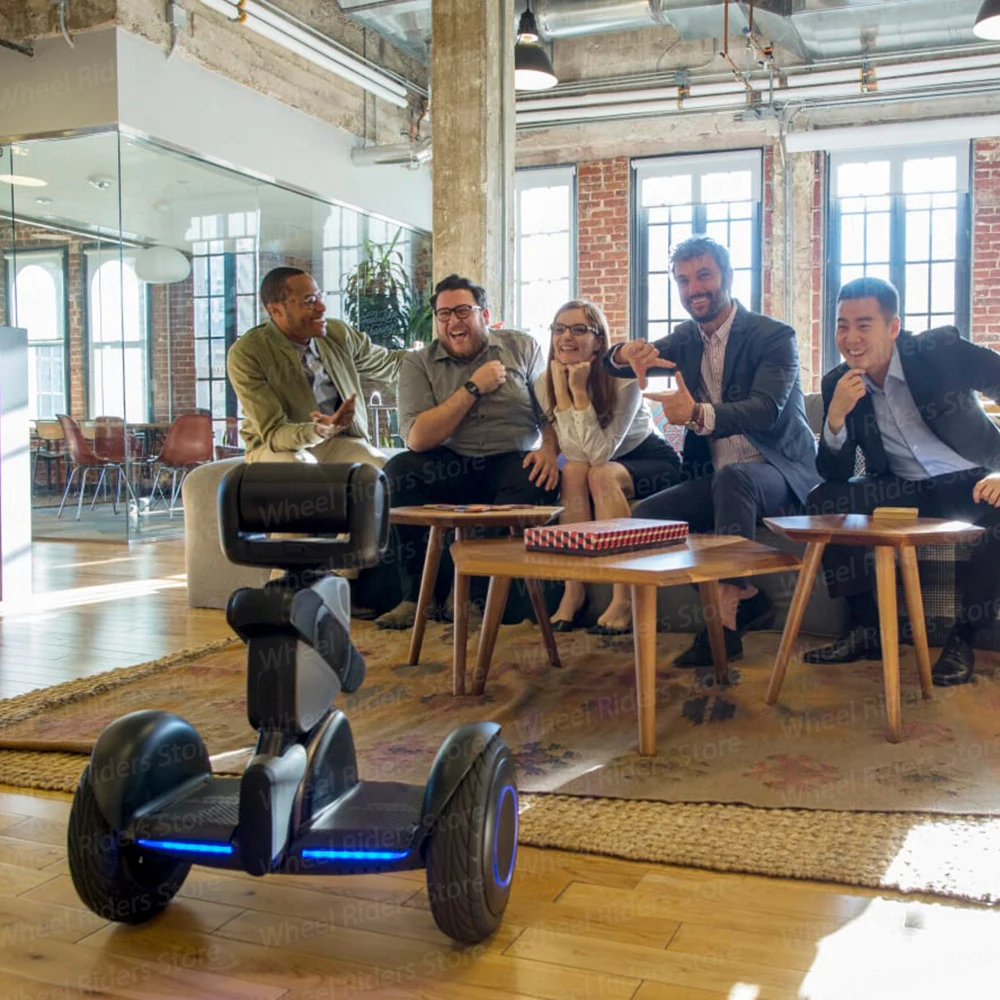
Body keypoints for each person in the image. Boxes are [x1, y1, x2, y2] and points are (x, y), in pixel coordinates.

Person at [606, 235, 819, 666]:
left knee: (735, 477)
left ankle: (723, 630)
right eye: (683, 281)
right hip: (721, 479)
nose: (694, 289)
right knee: (648, 515)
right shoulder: (686, 338)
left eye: (704, 275)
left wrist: (697, 414)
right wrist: (623, 353)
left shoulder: (774, 336)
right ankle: (748, 595)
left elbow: (766, 410)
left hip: (781, 473)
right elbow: (617, 366)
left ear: (728, 276)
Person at [804, 276, 1000, 685]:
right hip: (903, 489)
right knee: (825, 500)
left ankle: (964, 639)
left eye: (864, 325)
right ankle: (866, 628)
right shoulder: (837, 383)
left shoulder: (940, 350)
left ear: (893, 327)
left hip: (971, 481)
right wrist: (835, 417)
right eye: (842, 326)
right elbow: (834, 473)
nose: (851, 339)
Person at [375, 273, 560, 630]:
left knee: (537, 477)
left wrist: (550, 450)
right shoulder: (418, 363)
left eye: (462, 311)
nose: (453, 322)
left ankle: (474, 598)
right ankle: (417, 598)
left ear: (484, 315)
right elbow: (417, 438)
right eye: (443, 315)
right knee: (399, 470)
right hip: (451, 463)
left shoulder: (522, 347)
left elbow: (549, 414)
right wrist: (473, 389)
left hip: (509, 459)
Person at [536, 298, 683, 634]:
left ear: (598, 339)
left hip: (649, 459)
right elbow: (576, 455)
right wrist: (562, 392)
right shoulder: (544, 381)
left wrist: (577, 393)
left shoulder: (622, 379)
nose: (566, 337)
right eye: (559, 329)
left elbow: (600, 454)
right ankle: (574, 589)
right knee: (573, 471)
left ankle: (624, 597)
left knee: (600, 473)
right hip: (593, 460)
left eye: (578, 329)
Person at [227, 267, 404, 468]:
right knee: (303, 468)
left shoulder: (338, 334)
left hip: (336, 441)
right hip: (276, 447)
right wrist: (318, 430)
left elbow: (390, 362)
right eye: (309, 301)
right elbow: (274, 432)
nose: (321, 307)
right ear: (276, 310)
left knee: (379, 467)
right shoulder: (248, 353)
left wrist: (434, 355)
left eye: (320, 296)